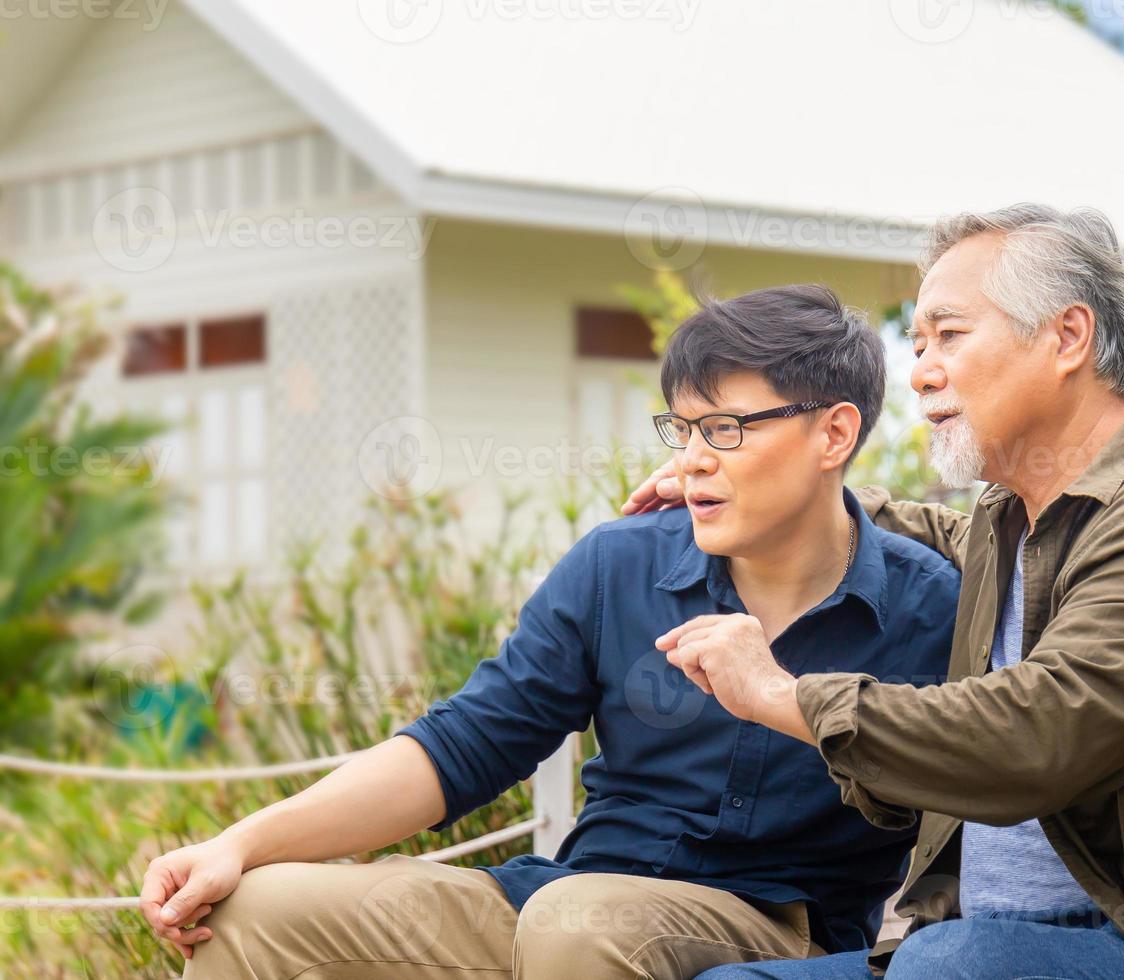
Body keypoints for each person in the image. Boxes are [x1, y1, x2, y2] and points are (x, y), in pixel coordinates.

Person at [140, 284, 968, 978]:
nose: (691, 459)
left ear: (834, 433)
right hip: (558, 904)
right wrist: (238, 843)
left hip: (773, 928)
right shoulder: (619, 564)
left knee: (581, 921)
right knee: (255, 906)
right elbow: (464, 744)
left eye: (725, 429)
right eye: (680, 429)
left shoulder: (931, 608)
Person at [634, 205, 1124, 979]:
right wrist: (778, 486)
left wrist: (780, 694)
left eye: (949, 336)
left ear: (1067, 337)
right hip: (1000, 942)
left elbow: (1031, 737)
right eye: (915, 344)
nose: (918, 370)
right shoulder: (1014, 515)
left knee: (952, 963)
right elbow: (943, 535)